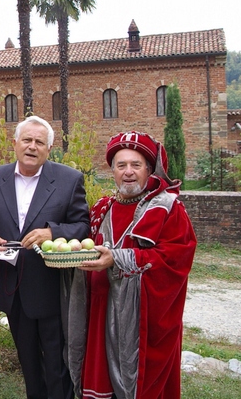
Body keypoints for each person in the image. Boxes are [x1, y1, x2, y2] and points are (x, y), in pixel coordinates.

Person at [69, 131, 197, 399]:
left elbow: (175, 260)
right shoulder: (102, 208)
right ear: (112, 171)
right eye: (121, 165)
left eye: (136, 165)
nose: (128, 172)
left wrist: (119, 258)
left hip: (141, 320)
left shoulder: (167, 208)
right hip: (100, 312)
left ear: (149, 170)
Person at [0, 115, 89, 399]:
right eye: (26, 140)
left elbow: (83, 225)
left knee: (56, 365)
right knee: (28, 364)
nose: (32, 146)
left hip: (51, 289)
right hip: (12, 288)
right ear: (14, 144)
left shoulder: (69, 179)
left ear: (49, 149)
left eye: (40, 142)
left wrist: (52, 232)